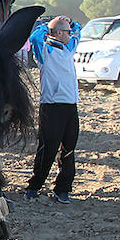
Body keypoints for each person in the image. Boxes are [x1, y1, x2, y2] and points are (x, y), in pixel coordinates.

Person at [24, 14, 82, 204]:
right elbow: (34, 38)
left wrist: (71, 23)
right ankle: (34, 186)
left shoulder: (69, 48)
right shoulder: (45, 51)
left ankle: (63, 188)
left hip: (70, 107)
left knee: (68, 150)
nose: (71, 34)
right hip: (52, 107)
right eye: (67, 31)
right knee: (47, 149)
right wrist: (45, 26)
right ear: (58, 33)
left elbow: (79, 31)